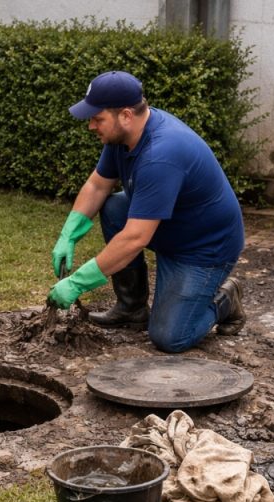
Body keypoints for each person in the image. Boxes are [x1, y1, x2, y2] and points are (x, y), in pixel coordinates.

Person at [48, 70, 245, 354]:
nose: (91, 125)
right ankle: (131, 308)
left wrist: (78, 283)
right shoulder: (125, 136)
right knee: (115, 205)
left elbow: (135, 238)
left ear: (126, 115)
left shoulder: (161, 154)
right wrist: (68, 233)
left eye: (97, 118)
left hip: (203, 248)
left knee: (169, 337)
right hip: (171, 226)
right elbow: (97, 186)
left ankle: (226, 298)